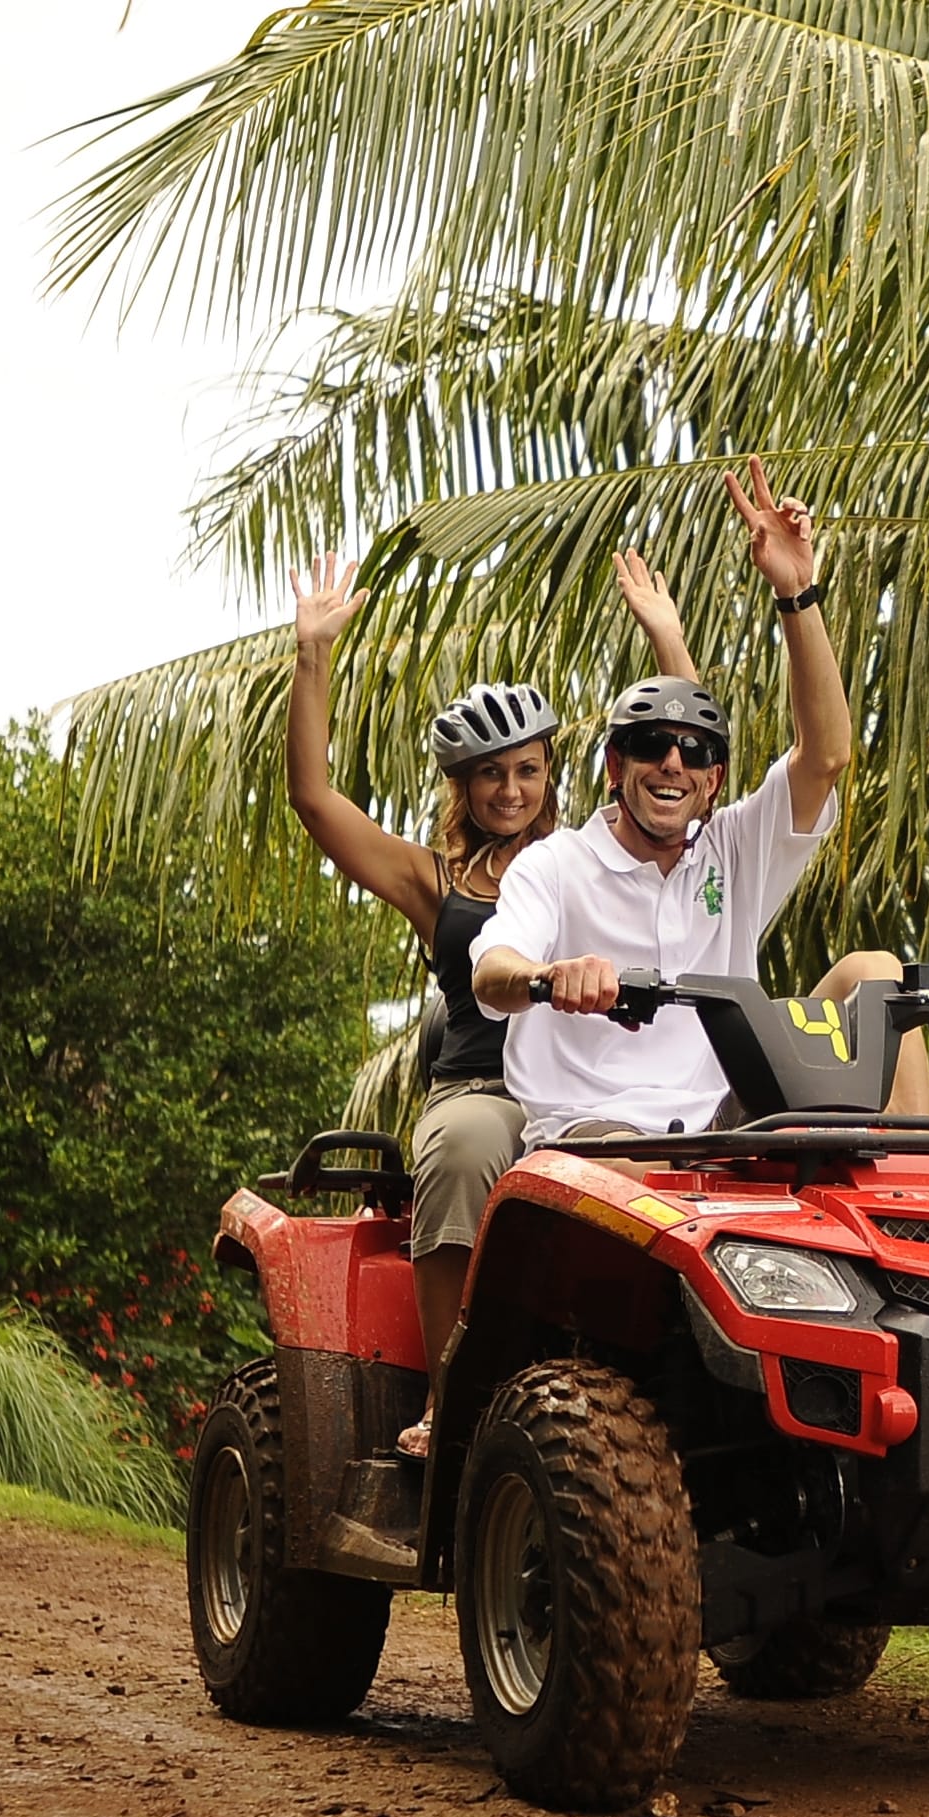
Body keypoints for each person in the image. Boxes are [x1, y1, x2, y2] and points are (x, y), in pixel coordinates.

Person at [470, 456, 929, 1143]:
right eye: (653, 744)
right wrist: (549, 975)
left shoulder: (731, 851)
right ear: (613, 767)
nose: (673, 763)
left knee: (879, 973)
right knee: (637, 1173)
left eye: (695, 753)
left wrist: (797, 592)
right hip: (601, 1139)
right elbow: (491, 971)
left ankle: (917, 1185)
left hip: (726, 1127)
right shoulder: (556, 865)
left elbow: (827, 756)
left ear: (714, 781)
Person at [283, 555, 565, 1460]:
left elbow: (680, 783)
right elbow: (314, 800)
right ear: (464, 785)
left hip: (586, 1086)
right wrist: (312, 658)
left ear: (552, 773)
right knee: (465, 1148)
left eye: (527, 770)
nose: (511, 791)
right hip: (481, 1084)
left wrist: (667, 639)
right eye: (491, 775)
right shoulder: (432, 880)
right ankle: (455, 1397)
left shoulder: (591, 859)